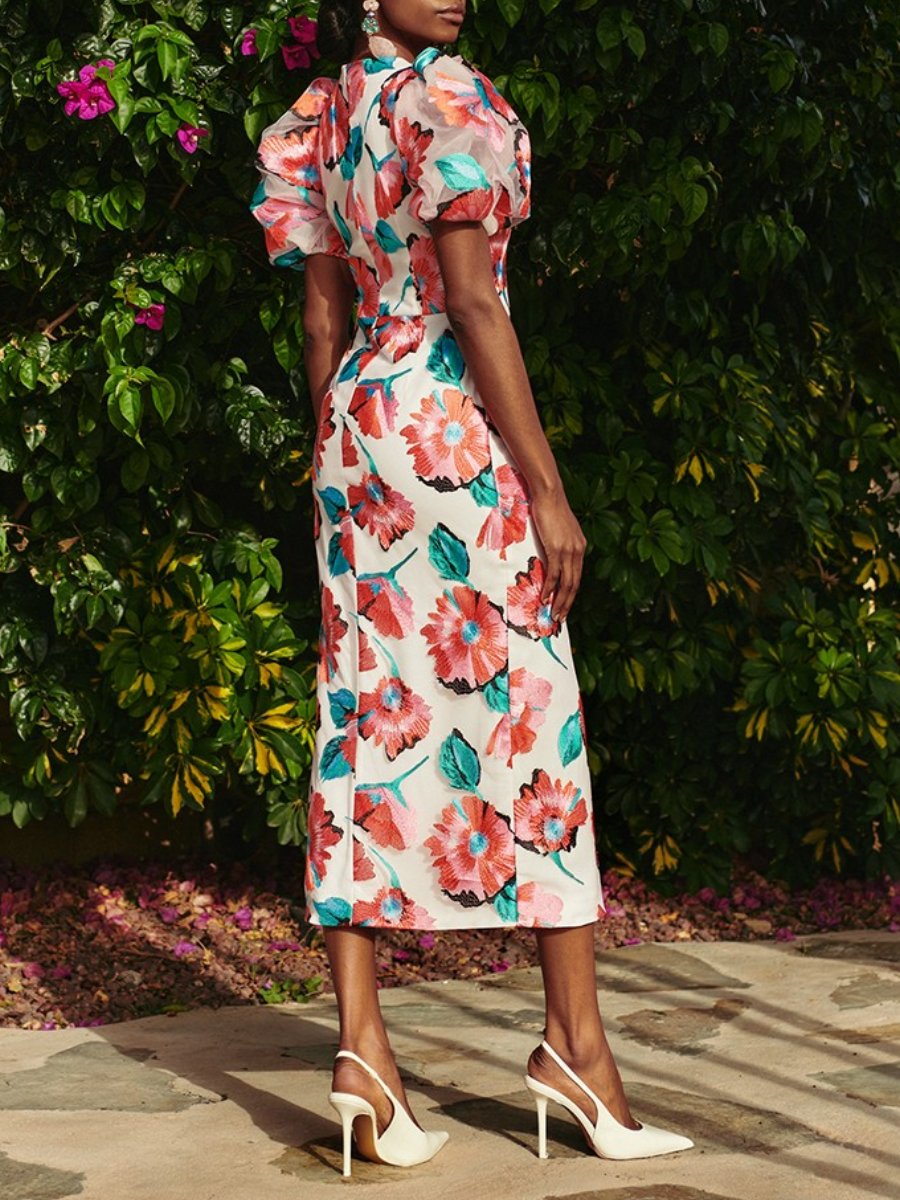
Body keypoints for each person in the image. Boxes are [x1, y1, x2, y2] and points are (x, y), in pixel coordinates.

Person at [250, 0, 694, 1178]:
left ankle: (361, 1056)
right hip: (444, 416)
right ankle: (576, 1049)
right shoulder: (451, 98)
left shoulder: (319, 114)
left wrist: (334, 449)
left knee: (358, 714)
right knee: (537, 709)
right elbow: (477, 301)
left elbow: (319, 311)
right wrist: (547, 492)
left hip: (354, 426)